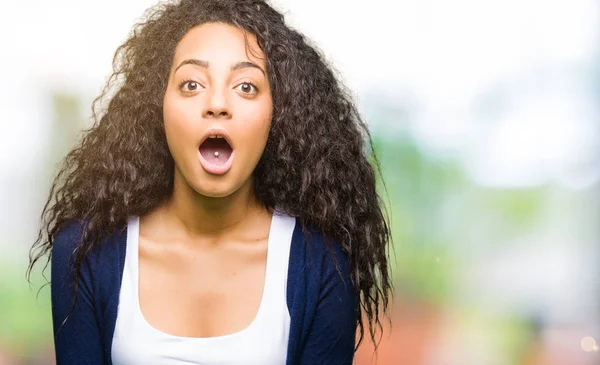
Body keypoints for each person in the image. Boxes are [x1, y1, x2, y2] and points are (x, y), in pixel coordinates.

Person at [28, 0, 392, 364]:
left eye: (246, 87)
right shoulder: (86, 251)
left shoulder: (320, 264)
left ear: (278, 114)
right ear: (158, 107)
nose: (217, 104)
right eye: (191, 84)